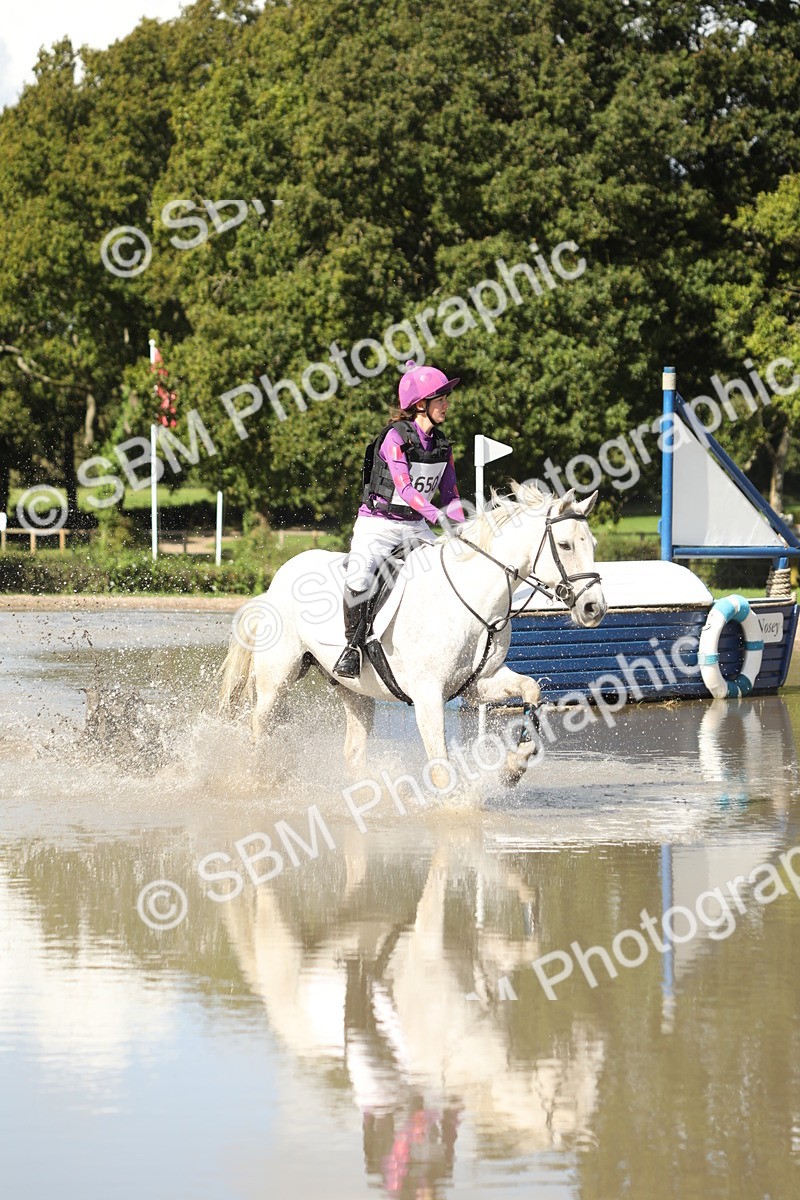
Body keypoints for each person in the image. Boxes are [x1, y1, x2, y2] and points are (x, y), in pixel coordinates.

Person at [333, 360, 466, 678]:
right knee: (360, 577)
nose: (447, 404)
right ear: (421, 404)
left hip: (415, 526)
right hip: (379, 523)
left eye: (446, 398)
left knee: (451, 571)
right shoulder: (395, 438)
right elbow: (405, 489)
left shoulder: (442, 445)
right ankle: (353, 646)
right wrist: (437, 516)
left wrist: (463, 526)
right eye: (441, 399)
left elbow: (451, 494)